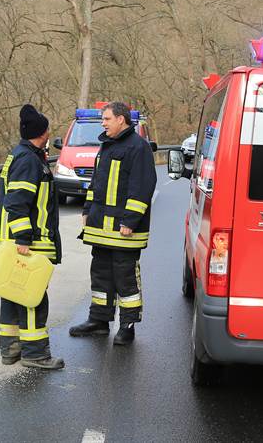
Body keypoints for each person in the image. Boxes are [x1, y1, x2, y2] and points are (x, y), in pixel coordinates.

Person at [69, 102, 156, 346]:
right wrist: (87, 210)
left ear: (121, 119)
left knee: (125, 277)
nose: (103, 123)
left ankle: (127, 326)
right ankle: (98, 321)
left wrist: (130, 221)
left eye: (106, 119)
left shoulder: (138, 147)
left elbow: (142, 187)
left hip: (124, 230)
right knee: (101, 275)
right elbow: (96, 183)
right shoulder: (107, 145)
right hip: (100, 227)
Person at [0, 104, 64, 370]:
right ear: (43, 133)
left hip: (13, 240)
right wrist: (23, 238)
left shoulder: (23, 155)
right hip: (28, 242)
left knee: (12, 294)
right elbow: (18, 202)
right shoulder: (28, 160)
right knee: (32, 296)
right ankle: (35, 353)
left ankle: (11, 349)